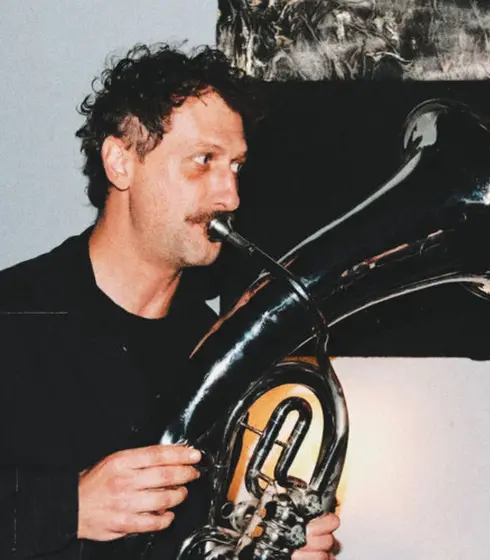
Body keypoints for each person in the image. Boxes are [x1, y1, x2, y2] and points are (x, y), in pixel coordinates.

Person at [0, 42, 340, 559]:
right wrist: (68, 507)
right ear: (120, 163)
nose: (230, 196)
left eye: (236, 166)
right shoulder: (12, 316)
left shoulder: (221, 353)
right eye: (203, 161)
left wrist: (270, 548)